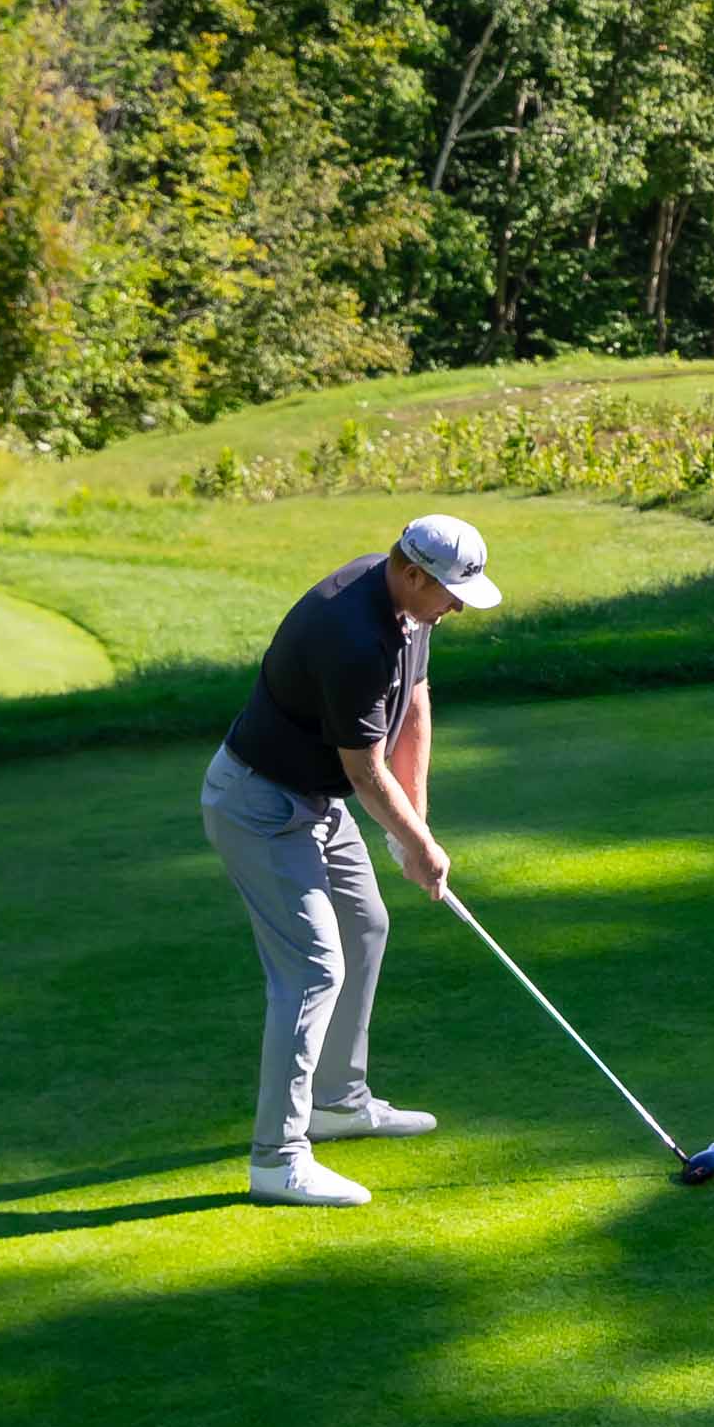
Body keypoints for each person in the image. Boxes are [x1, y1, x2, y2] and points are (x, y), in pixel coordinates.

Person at [202, 513, 499, 1206]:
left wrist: (413, 827)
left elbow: (415, 701)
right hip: (259, 804)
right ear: (415, 573)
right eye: (451, 592)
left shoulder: (407, 605)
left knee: (365, 925)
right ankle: (277, 1157)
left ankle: (337, 1100)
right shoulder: (353, 633)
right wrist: (423, 850)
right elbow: (364, 769)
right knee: (312, 968)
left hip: (315, 799)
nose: (457, 606)